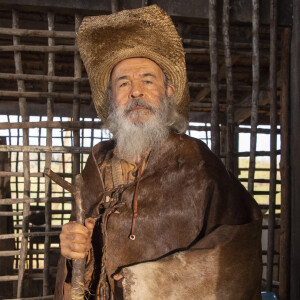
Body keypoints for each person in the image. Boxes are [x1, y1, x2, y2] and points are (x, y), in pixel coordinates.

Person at [54, 5, 262, 300]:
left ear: (169, 92)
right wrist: (76, 254)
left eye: (147, 81)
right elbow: (79, 276)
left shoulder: (198, 164)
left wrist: (145, 282)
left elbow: (238, 251)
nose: (135, 91)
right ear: (113, 99)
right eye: (123, 83)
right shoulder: (96, 168)